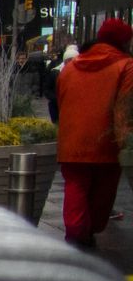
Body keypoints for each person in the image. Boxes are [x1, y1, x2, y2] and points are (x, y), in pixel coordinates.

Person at [54, 18, 133, 247]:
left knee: (75, 186)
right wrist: (126, 142)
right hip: (106, 143)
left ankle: (77, 233)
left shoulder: (71, 68)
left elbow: (62, 102)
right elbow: (125, 109)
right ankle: (87, 231)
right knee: (102, 192)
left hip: (72, 141)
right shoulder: (126, 66)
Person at [50, 44, 79, 123]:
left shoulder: (81, 72)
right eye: (69, 60)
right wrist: (55, 98)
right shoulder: (55, 72)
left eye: (74, 59)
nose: (71, 62)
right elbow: (49, 88)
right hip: (56, 105)